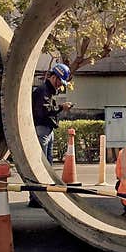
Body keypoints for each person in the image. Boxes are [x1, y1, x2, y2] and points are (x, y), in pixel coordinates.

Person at [30, 63, 73, 207]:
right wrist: (61, 107)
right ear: (54, 77)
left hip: (47, 129)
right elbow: (44, 111)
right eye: (60, 81)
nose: (61, 85)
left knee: (47, 164)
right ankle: (36, 197)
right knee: (40, 164)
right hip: (42, 129)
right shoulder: (43, 91)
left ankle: (44, 194)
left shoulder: (49, 91)